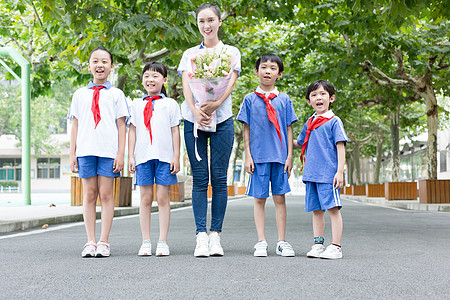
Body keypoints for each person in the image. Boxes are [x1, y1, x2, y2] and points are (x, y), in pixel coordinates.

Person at [177, 3, 241, 257]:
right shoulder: (189, 54)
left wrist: (215, 103)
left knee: (219, 178)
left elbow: (231, 83)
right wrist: (194, 111)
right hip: (194, 122)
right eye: (202, 21)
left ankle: (216, 235)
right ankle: (200, 236)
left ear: (219, 22)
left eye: (211, 20)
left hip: (223, 119)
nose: (207, 25)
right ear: (198, 24)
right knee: (200, 178)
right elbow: (186, 85)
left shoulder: (231, 52)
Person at [69, 46, 130, 258]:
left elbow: (122, 125)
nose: (100, 65)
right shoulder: (79, 94)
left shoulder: (116, 94)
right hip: (85, 150)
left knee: (105, 195)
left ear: (111, 66)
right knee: (89, 194)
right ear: (89, 66)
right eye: (95, 61)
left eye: (104, 61)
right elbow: (75, 125)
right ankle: (90, 241)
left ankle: (104, 241)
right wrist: (72, 153)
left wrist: (121, 153)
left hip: (108, 151)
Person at [237, 54, 298, 257]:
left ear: (279, 74)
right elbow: (246, 129)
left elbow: (289, 128)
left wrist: (289, 156)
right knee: (259, 199)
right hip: (259, 157)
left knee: (280, 198)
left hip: (280, 157)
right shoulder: (249, 99)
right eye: (264, 67)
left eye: (273, 68)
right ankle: (261, 241)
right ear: (256, 71)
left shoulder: (284, 99)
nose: (267, 71)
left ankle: (281, 241)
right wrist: (248, 156)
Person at [128, 62, 181, 256]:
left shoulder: (170, 104)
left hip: (164, 157)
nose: (150, 79)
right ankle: (145, 241)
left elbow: (175, 130)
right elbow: (132, 130)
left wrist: (176, 156)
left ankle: (162, 241)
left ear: (164, 80)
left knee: (162, 198)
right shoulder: (136, 104)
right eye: (147, 76)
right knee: (145, 198)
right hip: (143, 157)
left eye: (156, 76)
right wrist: (130, 157)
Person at [293, 79, 347, 259]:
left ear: (331, 98)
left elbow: (340, 146)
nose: (319, 97)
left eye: (323, 94)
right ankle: (318, 244)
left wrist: (340, 172)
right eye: (314, 95)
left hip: (328, 175)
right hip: (311, 175)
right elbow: (299, 143)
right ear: (309, 101)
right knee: (316, 211)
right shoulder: (309, 122)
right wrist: (280, 135)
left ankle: (336, 246)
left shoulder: (334, 121)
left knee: (333, 210)